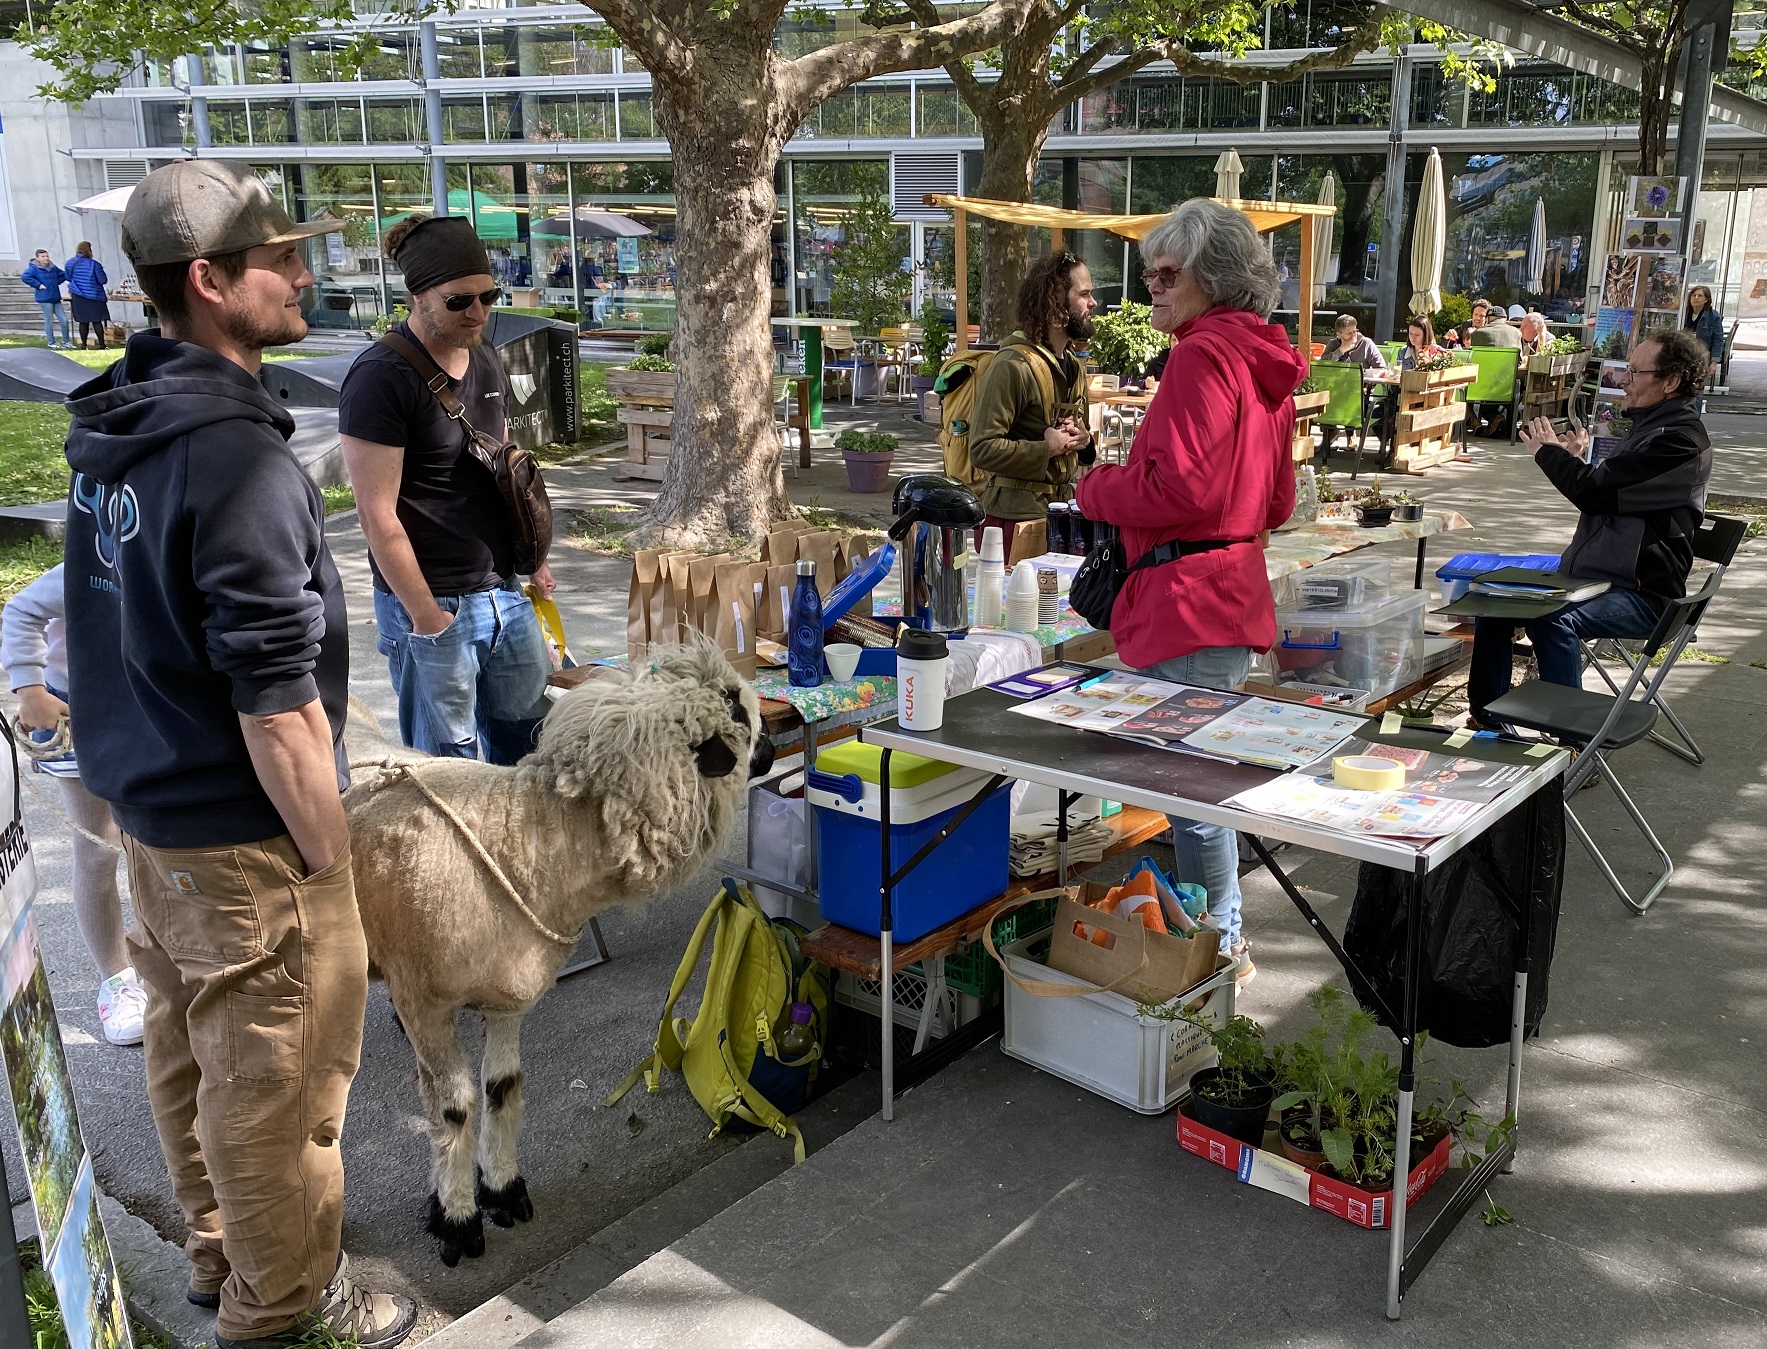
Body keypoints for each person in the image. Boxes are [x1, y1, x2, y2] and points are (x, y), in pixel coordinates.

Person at [61, 158, 415, 1349]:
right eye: (280, 259)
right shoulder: (238, 455)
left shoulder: (120, 420)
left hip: (152, 826)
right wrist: (329, 869)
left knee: (195, 1066)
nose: (305, 272)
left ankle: (226, 1258)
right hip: (246, 842)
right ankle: (283, 1312)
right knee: (281, 1102)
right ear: (211, 283)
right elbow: (276, 708)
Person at [1074, 199, 1305, 988]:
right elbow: (1278, 502)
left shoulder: (1201, 356)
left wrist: (1097, 488)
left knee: (1192, 796)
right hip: (1228, 593)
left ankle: (1218, 950)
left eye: (1166, 275)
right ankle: (1212, 939)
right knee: (1197, 786)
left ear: (1212, 279)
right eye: (1148, 276)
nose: (1152, 291)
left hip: (1185, 601)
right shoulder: (1257, 359)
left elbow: (1174, 486)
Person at [338, 215, 555, 763]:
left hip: (503, 591)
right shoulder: (380, 378)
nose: (479, 313)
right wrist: (427, 620)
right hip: (434, 604)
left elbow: (502, 470)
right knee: (446, 768)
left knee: (528, 751)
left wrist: (532, 560)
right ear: (418, 296)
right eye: (460, 301)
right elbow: (376, 518)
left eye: (489, 296)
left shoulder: (484, 355)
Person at [1466, 330, 1713, 724]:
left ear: (1671, 382)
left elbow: (1596, 493)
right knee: (1494, 602)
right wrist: (1574, 461)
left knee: (1553, 620)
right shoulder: (1652, 427)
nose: (1623, 379)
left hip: (1642, 592)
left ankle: (1572, 740)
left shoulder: (1679, 442)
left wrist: (1551, 456)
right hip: (1593, 577)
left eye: (1635, 371)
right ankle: (1488, 721)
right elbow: (1614, 490)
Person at [1, 565, 146, 1046]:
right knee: (100, 846)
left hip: (152, 703)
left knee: (159, 843)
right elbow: (21, 610)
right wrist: (30, 688)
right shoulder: (93, 559)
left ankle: (172, 963)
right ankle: (116, 981)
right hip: (76, 709)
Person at [967, 250, 1096, 565]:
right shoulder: (1011, 365)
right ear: (1055, 301)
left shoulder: (1075, 369)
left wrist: (1084, 441)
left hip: (1062, 516)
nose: (1093, 303)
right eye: (1084, 294)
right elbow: (981, 449)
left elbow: (1082, 445)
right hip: (1012, 522)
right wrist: (1045, 448)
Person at [21, 249, 72, 349]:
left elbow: (63, 274)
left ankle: (66, 342)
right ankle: (51, 342)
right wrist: (38, 285)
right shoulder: (34, 268)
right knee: (49, 320)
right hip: (44, 298)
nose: (46, 258)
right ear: (37, 258)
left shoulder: (52, 267)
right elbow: (25, 277)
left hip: (55, 297)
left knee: (64, 320)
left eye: (47, 256)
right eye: (43, 256)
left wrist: (58, 281)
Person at [65, 242, 112, 349]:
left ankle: (84, 345)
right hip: (94, 295)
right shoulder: (94, 264)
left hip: (78, 295)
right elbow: (102, 280)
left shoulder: (70, 263)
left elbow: (67, 277)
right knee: (97, 321)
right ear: (89, 250)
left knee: (83, 321)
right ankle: (102, 345)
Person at [1685, 285, 1725, 385]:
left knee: (1697, 386)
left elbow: (1718, 340)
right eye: (1693, 295)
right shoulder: (1683, 313)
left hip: (1702, 356)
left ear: (1706, 300)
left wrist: (1714, 361)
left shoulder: (1714, 316)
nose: (1696, 298)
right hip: (1684, 354)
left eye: (1700, 295)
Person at [1319, 312, 1387, 370]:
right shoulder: (1333, 344)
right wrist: (1341, 350)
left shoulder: (1366, 343)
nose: (1353, 336)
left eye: (1354, 331)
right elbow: (1322, 367)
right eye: (1349, 333)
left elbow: (1382, 368)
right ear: (1339, 335)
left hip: (1361, 384)